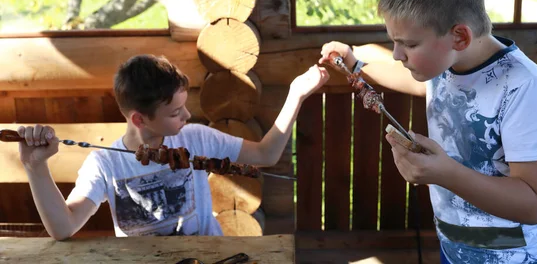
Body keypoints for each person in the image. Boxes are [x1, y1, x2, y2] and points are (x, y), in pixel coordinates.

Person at [320, 0, 537, 264]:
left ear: (459, 36)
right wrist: (355, 64)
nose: (397, 55)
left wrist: (446, 173)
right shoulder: (446, 64)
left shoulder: (526, 87)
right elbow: (415, 81)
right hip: (454, 248)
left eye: (408, 44)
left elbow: (534, 203)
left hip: (516, 257)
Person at [19, 54, 329, 239]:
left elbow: (265, 154)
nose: (188, 115)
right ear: (140, 119)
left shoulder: (196, 138)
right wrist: (36, 167)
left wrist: (295, 94)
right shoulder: (105, 165)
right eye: (175, 112)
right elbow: (64, 227)